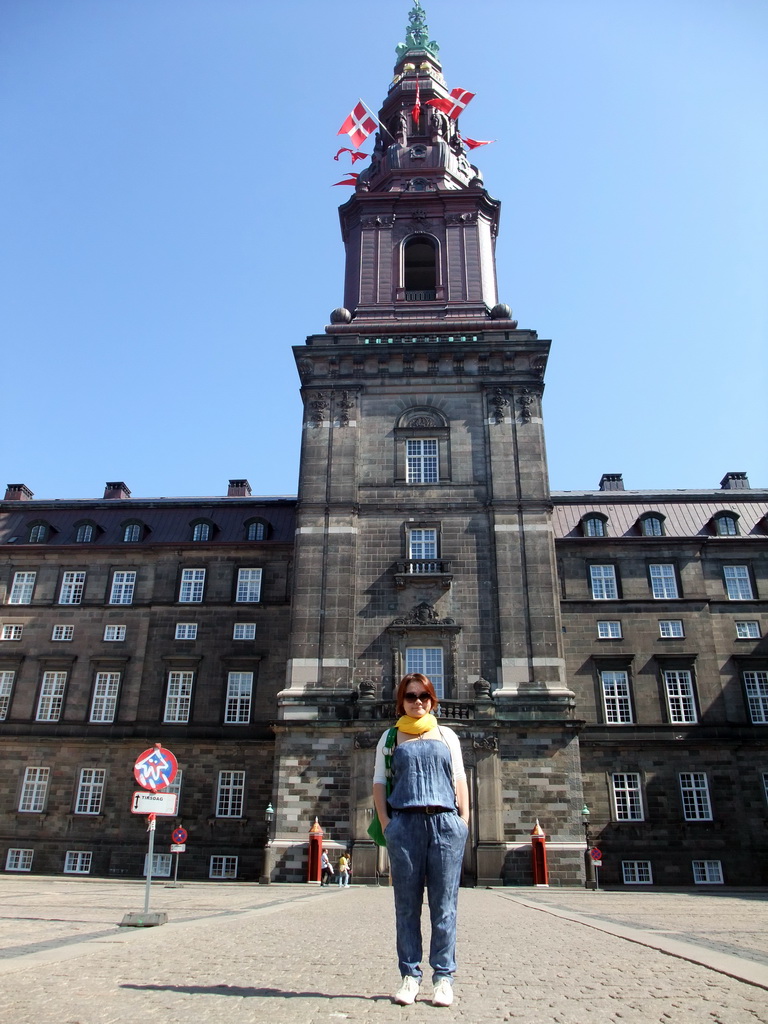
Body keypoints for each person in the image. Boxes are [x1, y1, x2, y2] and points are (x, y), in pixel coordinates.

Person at [372, 672, 469, 1007]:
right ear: (401, 700)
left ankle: (443, 978)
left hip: (445, 823)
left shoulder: (447, 735)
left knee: (445, 908)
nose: (417, 702)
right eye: (411, 696)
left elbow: (459, 778)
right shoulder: (389, 737)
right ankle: (410, 977)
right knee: (407, 908)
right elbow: (379, 783)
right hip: (405, 824)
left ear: (432, 700)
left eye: (423, 696)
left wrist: (463, 822)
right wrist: (388, 825)